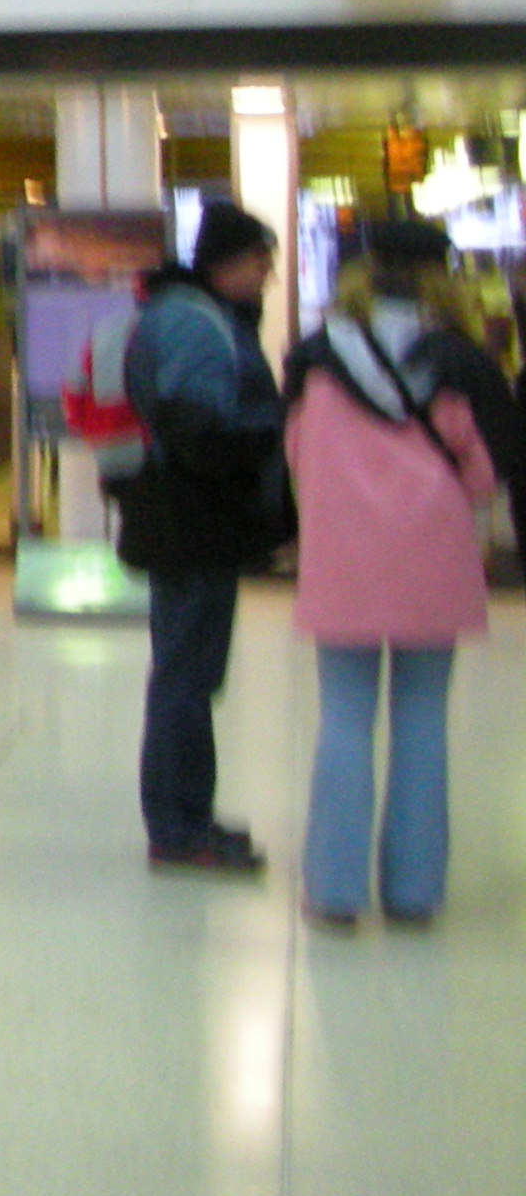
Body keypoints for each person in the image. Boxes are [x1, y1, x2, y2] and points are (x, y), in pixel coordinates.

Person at [281, 221, 520, 926]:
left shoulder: (317, 358)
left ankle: (334, 888)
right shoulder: (461, 362)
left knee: (344, 718)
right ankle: (415, 890)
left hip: (342, 561)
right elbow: (488, 470)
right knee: (422, 721)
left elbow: (296, 453)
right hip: (433, 560)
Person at [112, 200, 289, 875]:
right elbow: (199, 434)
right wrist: (277, 433)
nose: (268, 276)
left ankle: (186, 816)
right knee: (184, 678)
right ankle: (178, 828)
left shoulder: (191, 315)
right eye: (261, 262)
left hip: (191, 522)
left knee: (187, 675)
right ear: (227, 264)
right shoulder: (195, 323)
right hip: (193, 523)